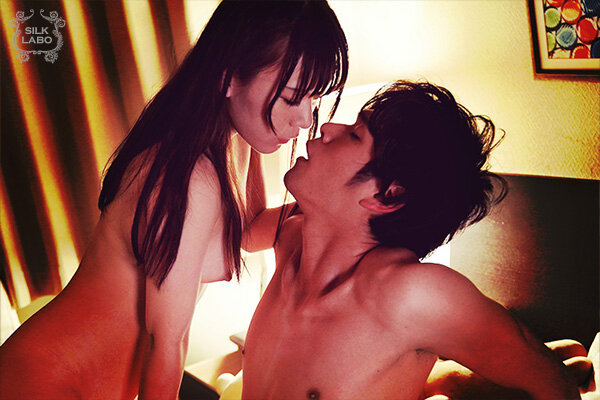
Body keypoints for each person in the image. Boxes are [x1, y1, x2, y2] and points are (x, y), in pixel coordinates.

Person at [0, 1, 348, 399]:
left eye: (313, 99)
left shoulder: (235, 142)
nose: (306, 119)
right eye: (291, 97)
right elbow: (165, 343)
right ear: (229, 75)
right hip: (44, 383)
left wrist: (328, 206)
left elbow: (248, 233)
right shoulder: (185, 177)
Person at [241, 80, 582, 400]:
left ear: (388, 195)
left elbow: (554, 384)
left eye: (356, 135)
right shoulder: (291, 236)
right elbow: (245, 230)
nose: (329, 128)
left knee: (571, 358)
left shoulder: (412, 294)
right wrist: (249, 115)